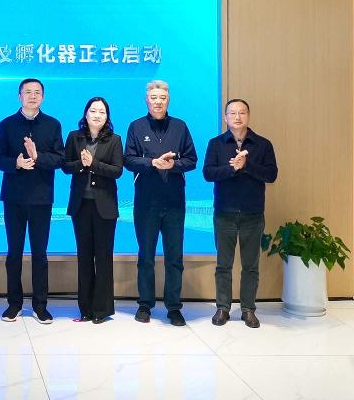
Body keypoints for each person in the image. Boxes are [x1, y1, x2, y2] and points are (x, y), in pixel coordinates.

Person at [124, 80, 197, 326]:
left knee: (174, 257)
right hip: (146, 202)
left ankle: (174, 307)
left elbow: (192, 160)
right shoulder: (136, 126)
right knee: (145, 256)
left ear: (168, 100)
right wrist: (152, 163)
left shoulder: (180, 126)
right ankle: (145, 304)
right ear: (147, 100)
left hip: (174, 202)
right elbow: (128, 160)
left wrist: (174, 165)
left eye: (162, 98)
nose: (158, 102)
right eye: (154, 97)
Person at [0, 78, 64, 324]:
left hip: (41, 198)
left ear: (43, 97)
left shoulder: (53, 125)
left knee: (39, 254)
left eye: (37, 92)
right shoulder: (6, 124)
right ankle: (14, 304)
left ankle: (40, 306)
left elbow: (59, 159)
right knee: (14, 253)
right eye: (28, 92)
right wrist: (16, 163)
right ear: (19, 96)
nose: (33, 96)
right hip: (13, 198)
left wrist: (38, 156)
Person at [203, 99, 278, 328]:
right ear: (225, 118)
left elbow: (271, 175)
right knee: (223, 265)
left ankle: (248, 309)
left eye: (242, 113)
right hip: (224, 213)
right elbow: (208, 173)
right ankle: (222, 308)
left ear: (248, 116)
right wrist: (232, 168)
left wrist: (247, 165)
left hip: (253, 214)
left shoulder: (263, 144)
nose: (237, 117)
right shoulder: (216, 144)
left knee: (250, 266)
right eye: (232, 113)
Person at [62, 97, 123, 324]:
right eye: (93, 110)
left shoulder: (115, 140)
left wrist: (93, 164)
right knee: (84, 257)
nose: (97, 115)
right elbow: (65, 166)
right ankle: (85, 309)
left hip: (105, 206)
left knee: (103, 257)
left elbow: (117, 170)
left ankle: (101, 310)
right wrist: (81, 164)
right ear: (86, 113)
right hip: (81, 205)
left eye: (102, 112)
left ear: (107, 117)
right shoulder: (74, 137)